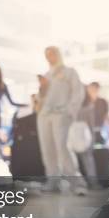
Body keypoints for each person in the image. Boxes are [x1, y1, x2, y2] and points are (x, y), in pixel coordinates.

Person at [36, 46, 87, 195]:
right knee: (47, 149)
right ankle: (52, 180)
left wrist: (69, 111)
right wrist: (41, 89)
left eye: (52, 54)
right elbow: (41, 99)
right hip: (44, 115)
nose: (49, 57)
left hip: (61, 114)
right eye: (47, 55)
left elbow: (78, 92)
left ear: (58, 54)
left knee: (62, 147)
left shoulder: (69, 72)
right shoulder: (45, 76)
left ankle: (76, 182)